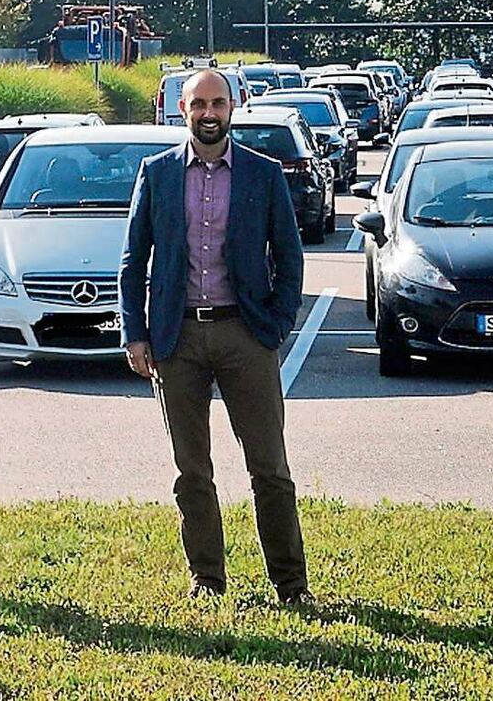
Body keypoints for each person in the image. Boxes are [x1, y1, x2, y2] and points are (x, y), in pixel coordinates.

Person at [120, 69, 313, 604]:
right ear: (181, 109)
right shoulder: (156, 174)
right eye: (198, 104)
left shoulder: (262, 173)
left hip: (245, 336)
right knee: (192, 470)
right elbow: (135, 260)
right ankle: (207, 578)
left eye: (218, 104)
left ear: (234, 107)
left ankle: (291, 584)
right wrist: (135, 332)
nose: (209, 114)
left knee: (269, 467)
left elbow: (290, 258)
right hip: (177, 340)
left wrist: (275, 324)